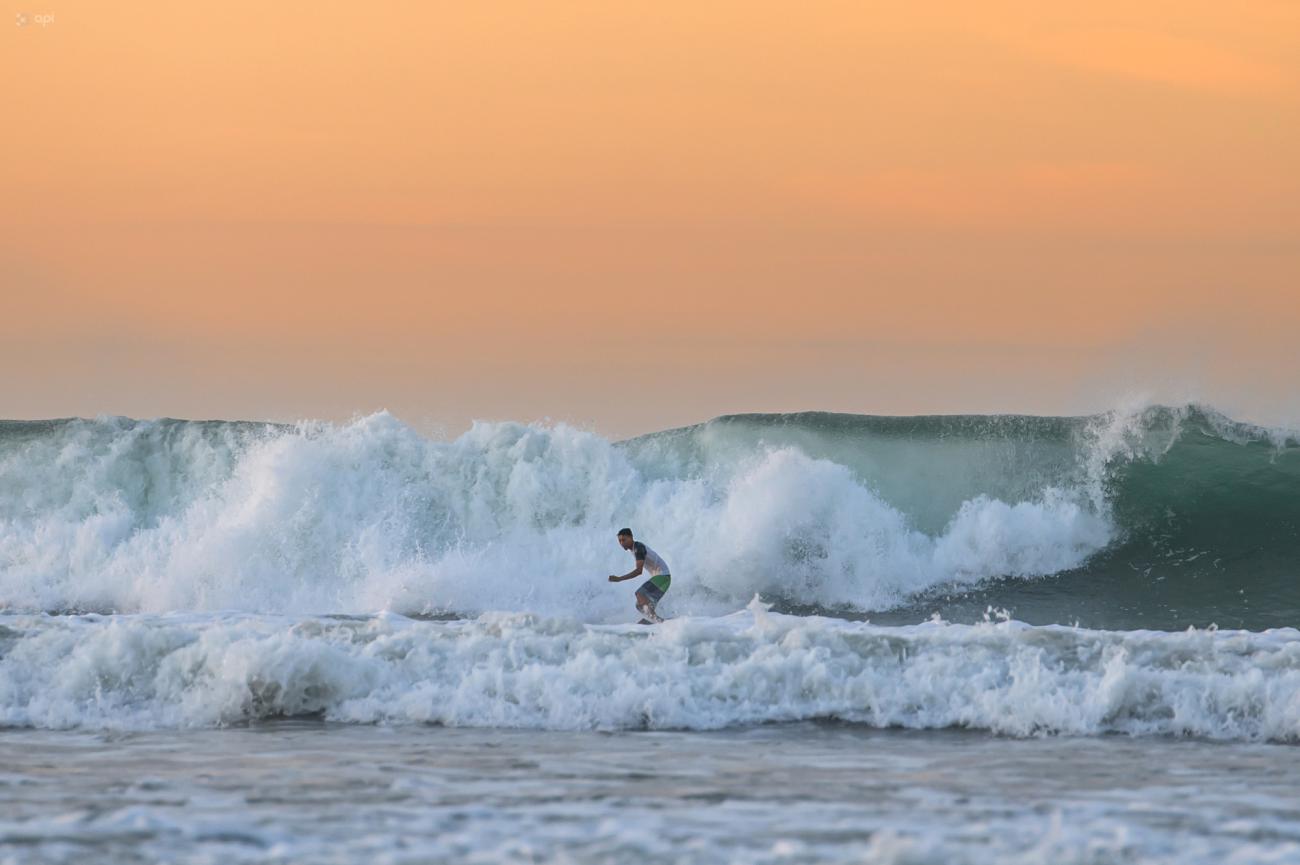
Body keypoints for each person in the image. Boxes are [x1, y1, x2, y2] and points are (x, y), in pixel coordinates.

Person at [608, 527, 671, 623]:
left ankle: (656, 621)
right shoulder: (634, 549)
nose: (622, 543)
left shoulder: (638, 548)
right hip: (661, 579)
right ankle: (658, 621)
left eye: (624, 540)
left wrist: (619, 578)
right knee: (639, 605)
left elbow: (638, 571)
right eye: (620, 541)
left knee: (639, 594)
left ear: (631, 537)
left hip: (663, 577)